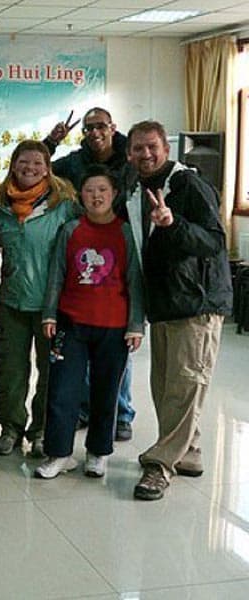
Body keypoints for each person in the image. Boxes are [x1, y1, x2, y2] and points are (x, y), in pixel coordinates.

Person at [124, 121, 232, 501]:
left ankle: (161, 465)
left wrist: (173, 224)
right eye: (138, 148)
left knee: (185, 385)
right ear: (129, 154)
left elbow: (214, 241)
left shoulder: (188, 184)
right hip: (165, 303)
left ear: (166, 149)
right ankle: (189, 451)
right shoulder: (136, 188)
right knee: (166, 386)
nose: (146, 154)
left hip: (196, 304)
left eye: (152, 146)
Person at [35, 165, 144, 479]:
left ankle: (98, 452)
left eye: (103, 190)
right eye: (89, 190)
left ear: (114, 194)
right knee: (62, 391)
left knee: (106, 392)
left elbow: (135, 280)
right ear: (80, 195)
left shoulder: (126, 232)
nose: (96, 196)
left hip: (114, 326)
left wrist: (136, 324)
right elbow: (57, 274)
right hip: (71, 324)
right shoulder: (71, 230)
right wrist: (50, 313)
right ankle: (59, 454)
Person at [44, 107, 137, 441]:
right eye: (88, 128)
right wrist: (51, 142)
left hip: (121, 241)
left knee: (116, 352)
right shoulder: (74, 161)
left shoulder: (130, 159)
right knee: (81, 349)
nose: (94, 133)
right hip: (86, 246)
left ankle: (120, 414)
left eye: (100, 126)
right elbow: (42, 171)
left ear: (112, 127)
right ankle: (84, 410)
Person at [0, 140, 78, 458]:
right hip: (12, 302)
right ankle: (10, 428)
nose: (30, 168)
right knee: (10, 370)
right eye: (23, 162)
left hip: (51, 306)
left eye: (37, 163)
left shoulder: (64, 204)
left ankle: (42, 430)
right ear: (13, 165)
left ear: (47, 168)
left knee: (51, 372)